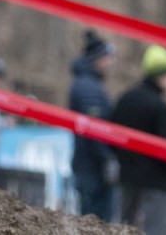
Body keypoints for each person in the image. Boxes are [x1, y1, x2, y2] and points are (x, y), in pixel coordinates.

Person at [110, 44, 166, 235]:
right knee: (155, 229)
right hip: (155, 181)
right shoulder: (159, 106)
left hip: (127, 176)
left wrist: (125, 161)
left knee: (123, 228)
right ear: (161, 75)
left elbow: (111, 136)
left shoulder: (126, 98)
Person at [68, 29, 119, 222]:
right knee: (94, 221)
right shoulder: (88, 87)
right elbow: (94, 129)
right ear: (97, 59)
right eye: (107, 58)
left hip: (89, 165)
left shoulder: (87, 84)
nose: (109, 63)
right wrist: (107, 159)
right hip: (92, 167)